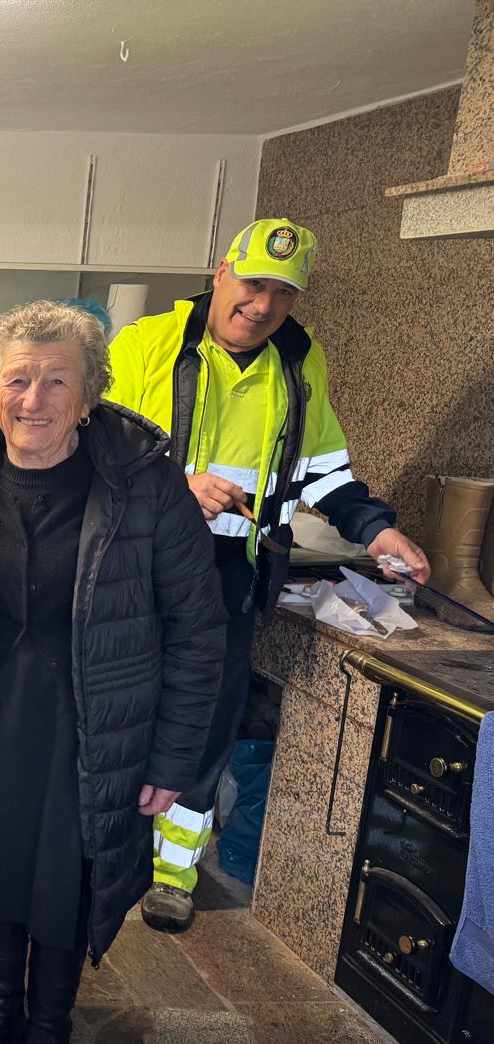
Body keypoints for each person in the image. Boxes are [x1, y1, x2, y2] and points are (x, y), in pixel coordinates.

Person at [0, 300, 226, 1044]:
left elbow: (197, 630)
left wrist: (171, 759)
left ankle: (50, 1022)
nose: (33, 400)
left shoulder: (145, 486)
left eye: (56, 382)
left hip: (94, 725)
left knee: (67, 876)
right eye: (18, 380)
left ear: (88, 399)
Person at [106, 219, 430, 933]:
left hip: (231, 575)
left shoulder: (299, 362)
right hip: (133, 567)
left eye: (283, 293)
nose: (263, 305)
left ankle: (173, 875)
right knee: (118, 711)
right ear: (222, 271)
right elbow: (94, 456)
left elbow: (325, 471)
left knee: (206, 719)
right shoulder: (145, 345)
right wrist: (174, 488)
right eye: (253, 283)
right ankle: (102, 854)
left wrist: (377, 529)